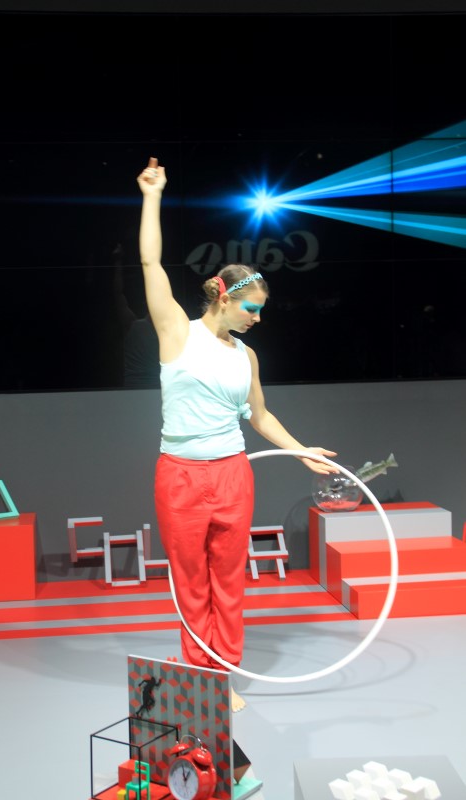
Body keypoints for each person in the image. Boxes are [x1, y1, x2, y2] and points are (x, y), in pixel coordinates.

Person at [137, 156, 338, 712]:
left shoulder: (246, 355)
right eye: (252, 308)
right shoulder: (177, 332)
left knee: (228, 581)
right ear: (224, 298)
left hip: (232, 474)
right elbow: (150, 262)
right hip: (180, 476)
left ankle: (221, 674)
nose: (257, 317)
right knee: (190, 582)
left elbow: (260, 415)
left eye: (261, 310)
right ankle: (198, 673)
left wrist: (300, 451)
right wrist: (152, 196)